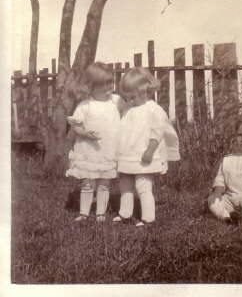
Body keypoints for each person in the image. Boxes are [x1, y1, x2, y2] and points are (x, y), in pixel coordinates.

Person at [113, 67, 180, 227]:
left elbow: (157, 131)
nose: (130, 100)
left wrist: (150, 150)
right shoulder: (129, 109)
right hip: (128, 155)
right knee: (125, 185)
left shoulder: (153, 110)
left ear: (144, 90)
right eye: (127, 96)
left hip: (144, 155)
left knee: (143, 185)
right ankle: (125, 214)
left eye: (133, 96)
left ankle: (148, 218)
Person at [66, 62, 121, 222]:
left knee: (104, 183)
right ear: (90, 86)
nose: (108, 88)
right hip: (89, 150)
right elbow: (76, 127)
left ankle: (101, 213)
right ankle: (84, 212)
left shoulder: (116, 101)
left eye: (110, 83)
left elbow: (128, 112)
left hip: (108, 150)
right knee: (88, 183)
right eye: (102, 85)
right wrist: (86, 133)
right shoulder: (85, 105)